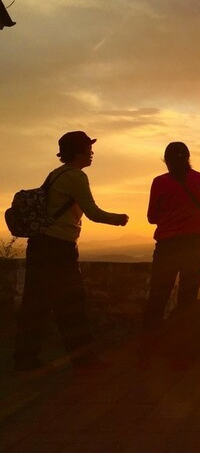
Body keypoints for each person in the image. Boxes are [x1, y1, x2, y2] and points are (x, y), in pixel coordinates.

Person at [13, 131, 129, 371]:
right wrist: (119, 219)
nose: (92, 152)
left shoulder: (55, 174)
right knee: (72, 305)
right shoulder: (76, 177)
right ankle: (84, 361)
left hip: (39, 246)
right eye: (88, 148)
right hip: (59, 248)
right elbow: (93, 212)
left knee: (36, 305)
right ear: (78, 151)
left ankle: (24, 359)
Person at [140, 142, 200, 370]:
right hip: (197, 242)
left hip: (168, 244)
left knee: (158, 296)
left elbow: (152, 217)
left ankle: (147, 348)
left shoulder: (160, 182)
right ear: (189, 158)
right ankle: (182, 352)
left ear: (166, 160)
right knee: (188, 297)